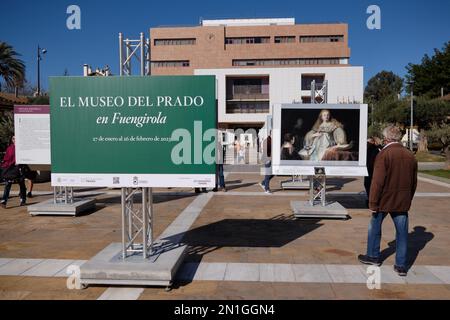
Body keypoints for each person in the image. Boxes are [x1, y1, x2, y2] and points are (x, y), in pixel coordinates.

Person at [358, 125, 418, 276]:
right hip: (401, 201)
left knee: (375, 227)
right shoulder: (410, 154)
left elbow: (377, 182)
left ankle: (373, 256)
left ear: (386, 138)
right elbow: (414, 182)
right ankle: (401, 265)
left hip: (384, 200)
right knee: (402, 233)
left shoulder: (384, 154)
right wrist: (408, 198)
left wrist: (372, 202)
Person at [1, 136, 27, 208]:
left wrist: (20, 162)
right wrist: (7, 164)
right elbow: (6, 158)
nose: (15, 140)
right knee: (8, 184)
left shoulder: (22, 147)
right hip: (10, 169)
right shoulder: (9, 148)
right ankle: (4, 201)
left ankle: (23, 200)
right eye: (13, 138)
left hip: (19, 168)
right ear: (12, 140)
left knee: (21, 184)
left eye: (16, 138)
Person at [364, 137, 381, 205]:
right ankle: (370, 199)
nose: (367, 143)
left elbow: (371, 161)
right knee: (368, 185)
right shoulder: (370, 149)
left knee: (369, 185)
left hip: (371, 170)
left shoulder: (374, 149)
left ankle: (371, 200)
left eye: (368, 142)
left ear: (373, 142)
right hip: (370, 170)